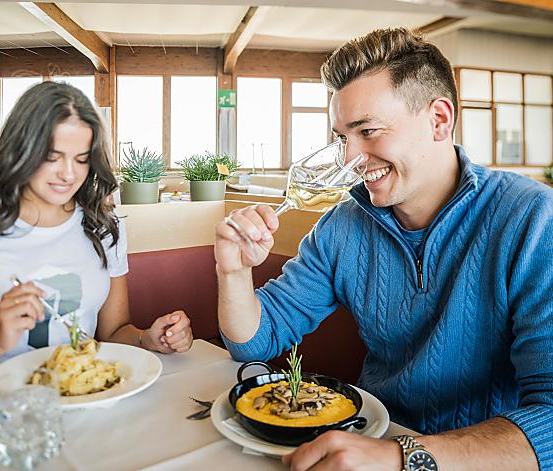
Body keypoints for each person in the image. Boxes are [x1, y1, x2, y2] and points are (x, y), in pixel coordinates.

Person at [214, 28, 552, 471]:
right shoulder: (342, 227)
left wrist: (404, 456)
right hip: (371, 444)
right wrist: (234, 273)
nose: (349, 159)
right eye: (342, 138)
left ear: (439, 120)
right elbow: (256, 339)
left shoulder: (532, 219)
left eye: (368, 131)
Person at [0, 82, 193, 395]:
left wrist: (147, 338)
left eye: (81, 159)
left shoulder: (104, 226)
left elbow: (114, 333)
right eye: (52, 157)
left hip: (82, 396)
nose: (68, 174)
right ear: (20, 150)